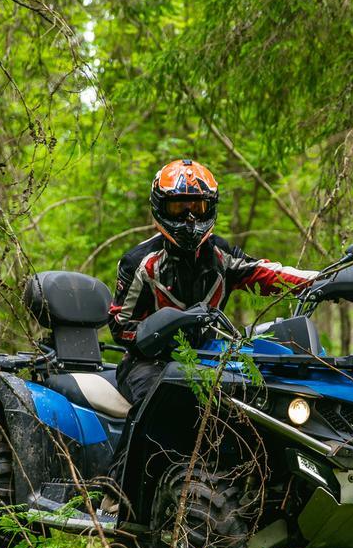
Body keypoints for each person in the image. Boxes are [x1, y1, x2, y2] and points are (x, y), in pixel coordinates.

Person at [109, 158, 317, 405]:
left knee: (262, 393)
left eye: (197, 207)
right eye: (178, 208)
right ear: (160, 208)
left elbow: (265, 272)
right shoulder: (140, 262)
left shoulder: (220, 254)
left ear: (210, 207)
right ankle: (139, 446)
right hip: (145, 364)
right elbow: (119, 326)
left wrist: (321, 281)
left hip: (210, 358)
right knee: (163, 398)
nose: (189, 219)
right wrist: (161, 330)